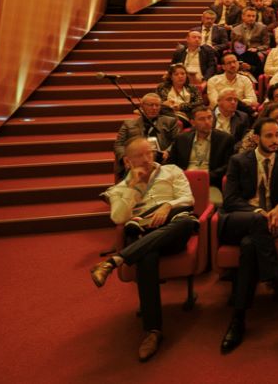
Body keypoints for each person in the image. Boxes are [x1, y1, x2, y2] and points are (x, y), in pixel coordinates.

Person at [89, 136, 199, 361]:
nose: (148, 159)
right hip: (142, 235)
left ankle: (115, 261)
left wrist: (168, 205)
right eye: (140, 156)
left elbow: (188, 198)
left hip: (172, 230)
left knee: (187, 222)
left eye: (149, 153)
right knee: (147, 256)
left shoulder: (172, 171)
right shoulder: (120, 187)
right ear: (128, 162)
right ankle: (153, 331)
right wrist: (133, 186)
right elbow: (118, 216)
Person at [218, 118, 278, 353]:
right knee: (256, 222)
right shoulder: (238, 161)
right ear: (256, 138)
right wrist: (259, 212)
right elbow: (230, 200)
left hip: (265, 226)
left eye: (277, 135)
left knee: (249, 246)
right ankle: (276, 280)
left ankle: (238, 319)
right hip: (238, 220)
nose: (275, 141)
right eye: (269, 136)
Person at [169, 104, 234, 206]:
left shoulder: (225, 139)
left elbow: (228, 166)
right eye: (202, 119)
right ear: (192, 122)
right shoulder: (181, 139)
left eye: (209, 117)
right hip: (183, 182)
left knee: (216, 204)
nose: (207, 122)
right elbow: (171, 164)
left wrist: (205, 177)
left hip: (210, 183)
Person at [113, 93, 181, 179]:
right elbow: (118, 144)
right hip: (137, 162)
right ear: (142, 106)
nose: (154, 108)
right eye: (150, 105)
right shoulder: (129, 124)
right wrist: (124, 157)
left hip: (162, 162)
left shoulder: (170, 122)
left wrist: (168, 151)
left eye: (157, 105)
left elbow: (177, 141)